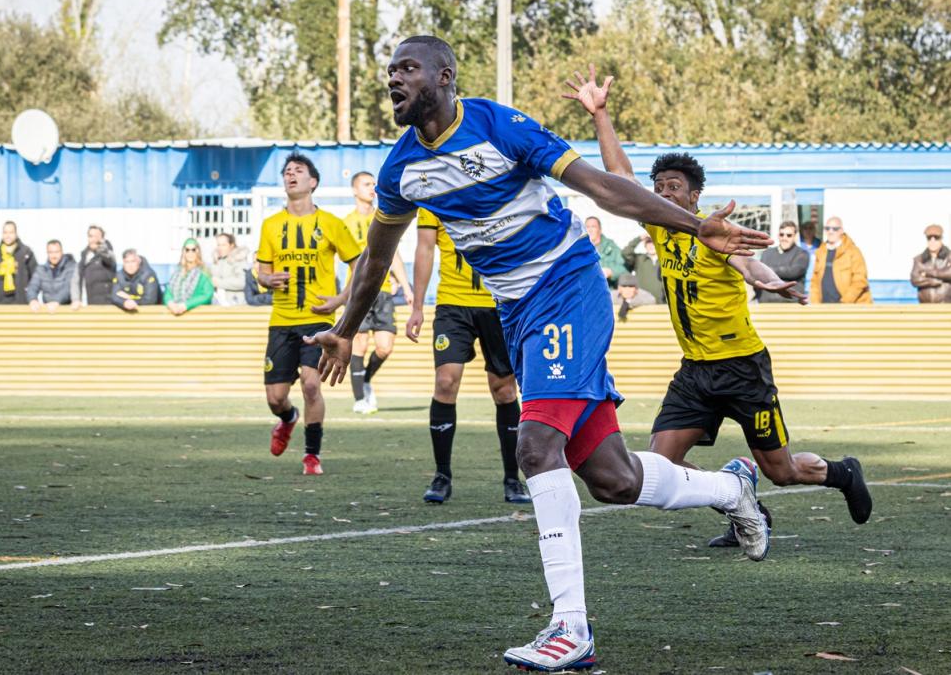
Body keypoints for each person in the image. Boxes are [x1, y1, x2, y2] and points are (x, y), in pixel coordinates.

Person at [311, 36, 776, 672]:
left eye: (408, 68)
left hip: (566, 285)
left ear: (445, 77)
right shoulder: (399, 169)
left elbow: (602, 189)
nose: (394, 77)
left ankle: (571, 628)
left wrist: (694, 223)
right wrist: (345, 326)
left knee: (535, 446)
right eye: (390, 69)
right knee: (613, 479)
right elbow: (377, 255)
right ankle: (733, 487)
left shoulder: (499, 126)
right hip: (519, 312)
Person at [565, 67, 872, 554]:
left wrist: (773, 281)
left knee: (782, 470)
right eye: (659, 186)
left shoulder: (714, 232)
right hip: (695, 372)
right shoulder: (662, 227)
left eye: (673, 187)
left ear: (694, 195)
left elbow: (749, 265)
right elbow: (617, 176)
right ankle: (742, 504)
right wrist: (601, 114)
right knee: (660, 464)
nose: (663, 194)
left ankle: (841, 473)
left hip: (742, 368)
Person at [406, 207, 530, 505]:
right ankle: (442, 476)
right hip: (452, 304)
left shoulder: (499, 191)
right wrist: (418, 306)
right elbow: (424, 248)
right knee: (446, 382)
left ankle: (513, 479)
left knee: (504, 390)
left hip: (498, 303)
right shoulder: (433, 197)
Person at [261, 154, 361, 476]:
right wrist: (266, 278)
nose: (291, 175)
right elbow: (262, 270)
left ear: (312, 182)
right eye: (287, 172)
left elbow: (359, 266)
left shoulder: (332, 223)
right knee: (276, 398)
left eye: (298, 171)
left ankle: (312, 456)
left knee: (311, 385)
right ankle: (288, 418)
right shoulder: (270, 225)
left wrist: (341, 298)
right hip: (282, 320)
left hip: (317, 317)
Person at [343, 171, 413, 414]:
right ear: (354, 190)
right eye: (366, 184)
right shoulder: (347, 222)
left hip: (383, 291)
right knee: (359, 344)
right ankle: (360, 398)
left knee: (385, 347)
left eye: (374, 183)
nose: (372, 187)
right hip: (359, 291)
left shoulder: (384, 218)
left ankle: (365, 380)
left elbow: (393, 255)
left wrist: (405, 285)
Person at [810, 217, 872, 304]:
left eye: (835, 229)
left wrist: (844, 302)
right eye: (827, 228)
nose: (830, 231)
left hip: (850, 307)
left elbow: (860, 280)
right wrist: (815, 304)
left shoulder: (853, 251)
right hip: (825, 308)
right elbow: (815, 282)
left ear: (841, 230)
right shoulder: (820, 252)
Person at [757, 221, 809, 303]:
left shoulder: (802, 253)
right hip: (766, 304)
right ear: (778, 236)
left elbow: (794, 272)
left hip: (791, 304)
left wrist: (769, 270)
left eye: (789, 235)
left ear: (795, 236)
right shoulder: (767, 253)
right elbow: (759, 274)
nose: (784, 238)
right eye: (781, 234)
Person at [164, 238, 214, 316]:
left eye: (193, 249)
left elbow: (207, 295)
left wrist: (186, 305)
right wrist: (170, 303)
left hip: (197, 315)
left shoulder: (204, 272)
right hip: (175, 312)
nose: (190, 253)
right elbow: (168, 291)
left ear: (198, 251)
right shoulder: (177, 272)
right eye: (187, 250)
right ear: (184, 252)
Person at [26, 240, 79, 311]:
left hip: (66, 310)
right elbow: (32, 287)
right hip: (47, 310)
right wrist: (33, 300)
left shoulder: (71, 267)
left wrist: (56, 301)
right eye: (50, 252)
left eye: (56, 252)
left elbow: (68, 288)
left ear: (62, 252)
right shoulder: (41, 270)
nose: (54, 256)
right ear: (47, 253)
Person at [0, 221, 37, 305]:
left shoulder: (26, 252)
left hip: (21, 300)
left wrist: (31, 296)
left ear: (16, 234)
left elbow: (35, 277)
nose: (8, 235)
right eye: (5, 232)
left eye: (11, 232)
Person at [911, 224, 951, 303]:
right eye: (929, 238)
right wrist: (934, 282)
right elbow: (915, 279)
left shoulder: (949, 256)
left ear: (941, 239)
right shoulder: (919, 259)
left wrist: (927, 273)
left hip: (947, 306)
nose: (933, 241)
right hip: (925, 307)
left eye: (936, 238)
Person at [621, 233, 666, 303]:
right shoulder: (639, 259)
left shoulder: (665, 260)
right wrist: (639, 238)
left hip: (662, 303)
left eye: (653, 242)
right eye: (648, 243)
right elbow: (625, 252)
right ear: (645, 245)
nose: (651, 246)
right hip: (643, 302)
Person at [77, 225, 116, 305]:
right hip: (89, 304)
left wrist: (101, 248)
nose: (93, 240)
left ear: (102, 238)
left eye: (96, 236)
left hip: (106, 305)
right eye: (90, 236)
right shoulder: (84, 257)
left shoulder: (108, 253)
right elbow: (77, 281)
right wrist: (77, 299)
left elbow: (108, 258)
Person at [584, 216, 624, 287]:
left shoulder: (611, 247)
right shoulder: (578, 248)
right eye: (587, 227)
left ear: (600, 230)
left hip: (607, 290)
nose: (590, 230)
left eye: (593, 227)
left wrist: (610, 272)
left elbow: (624, 268)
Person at [212, 232, 250, 305]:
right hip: (218, 303)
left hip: (235, 303)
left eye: (223, 245)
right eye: (218, 245)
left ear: (231, 245)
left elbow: (243, 281)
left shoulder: (239, 259)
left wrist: (219, 283)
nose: (220, 248)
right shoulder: (216, 261)